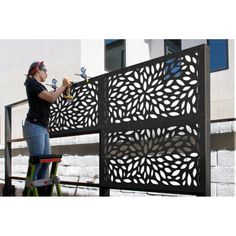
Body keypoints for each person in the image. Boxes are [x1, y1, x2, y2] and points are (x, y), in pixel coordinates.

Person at [22, 61, 70, 196]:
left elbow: (49, 96)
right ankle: (29, 193)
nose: (47, 73)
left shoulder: (39, 85)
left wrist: (62, 89)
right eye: (45, 71)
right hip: (34, 126)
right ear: (38, 70)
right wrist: (63, 86)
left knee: (46, 163)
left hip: (42, 127)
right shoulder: (32, 83)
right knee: (37, 162)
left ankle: (41, 193)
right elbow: (51, 97)